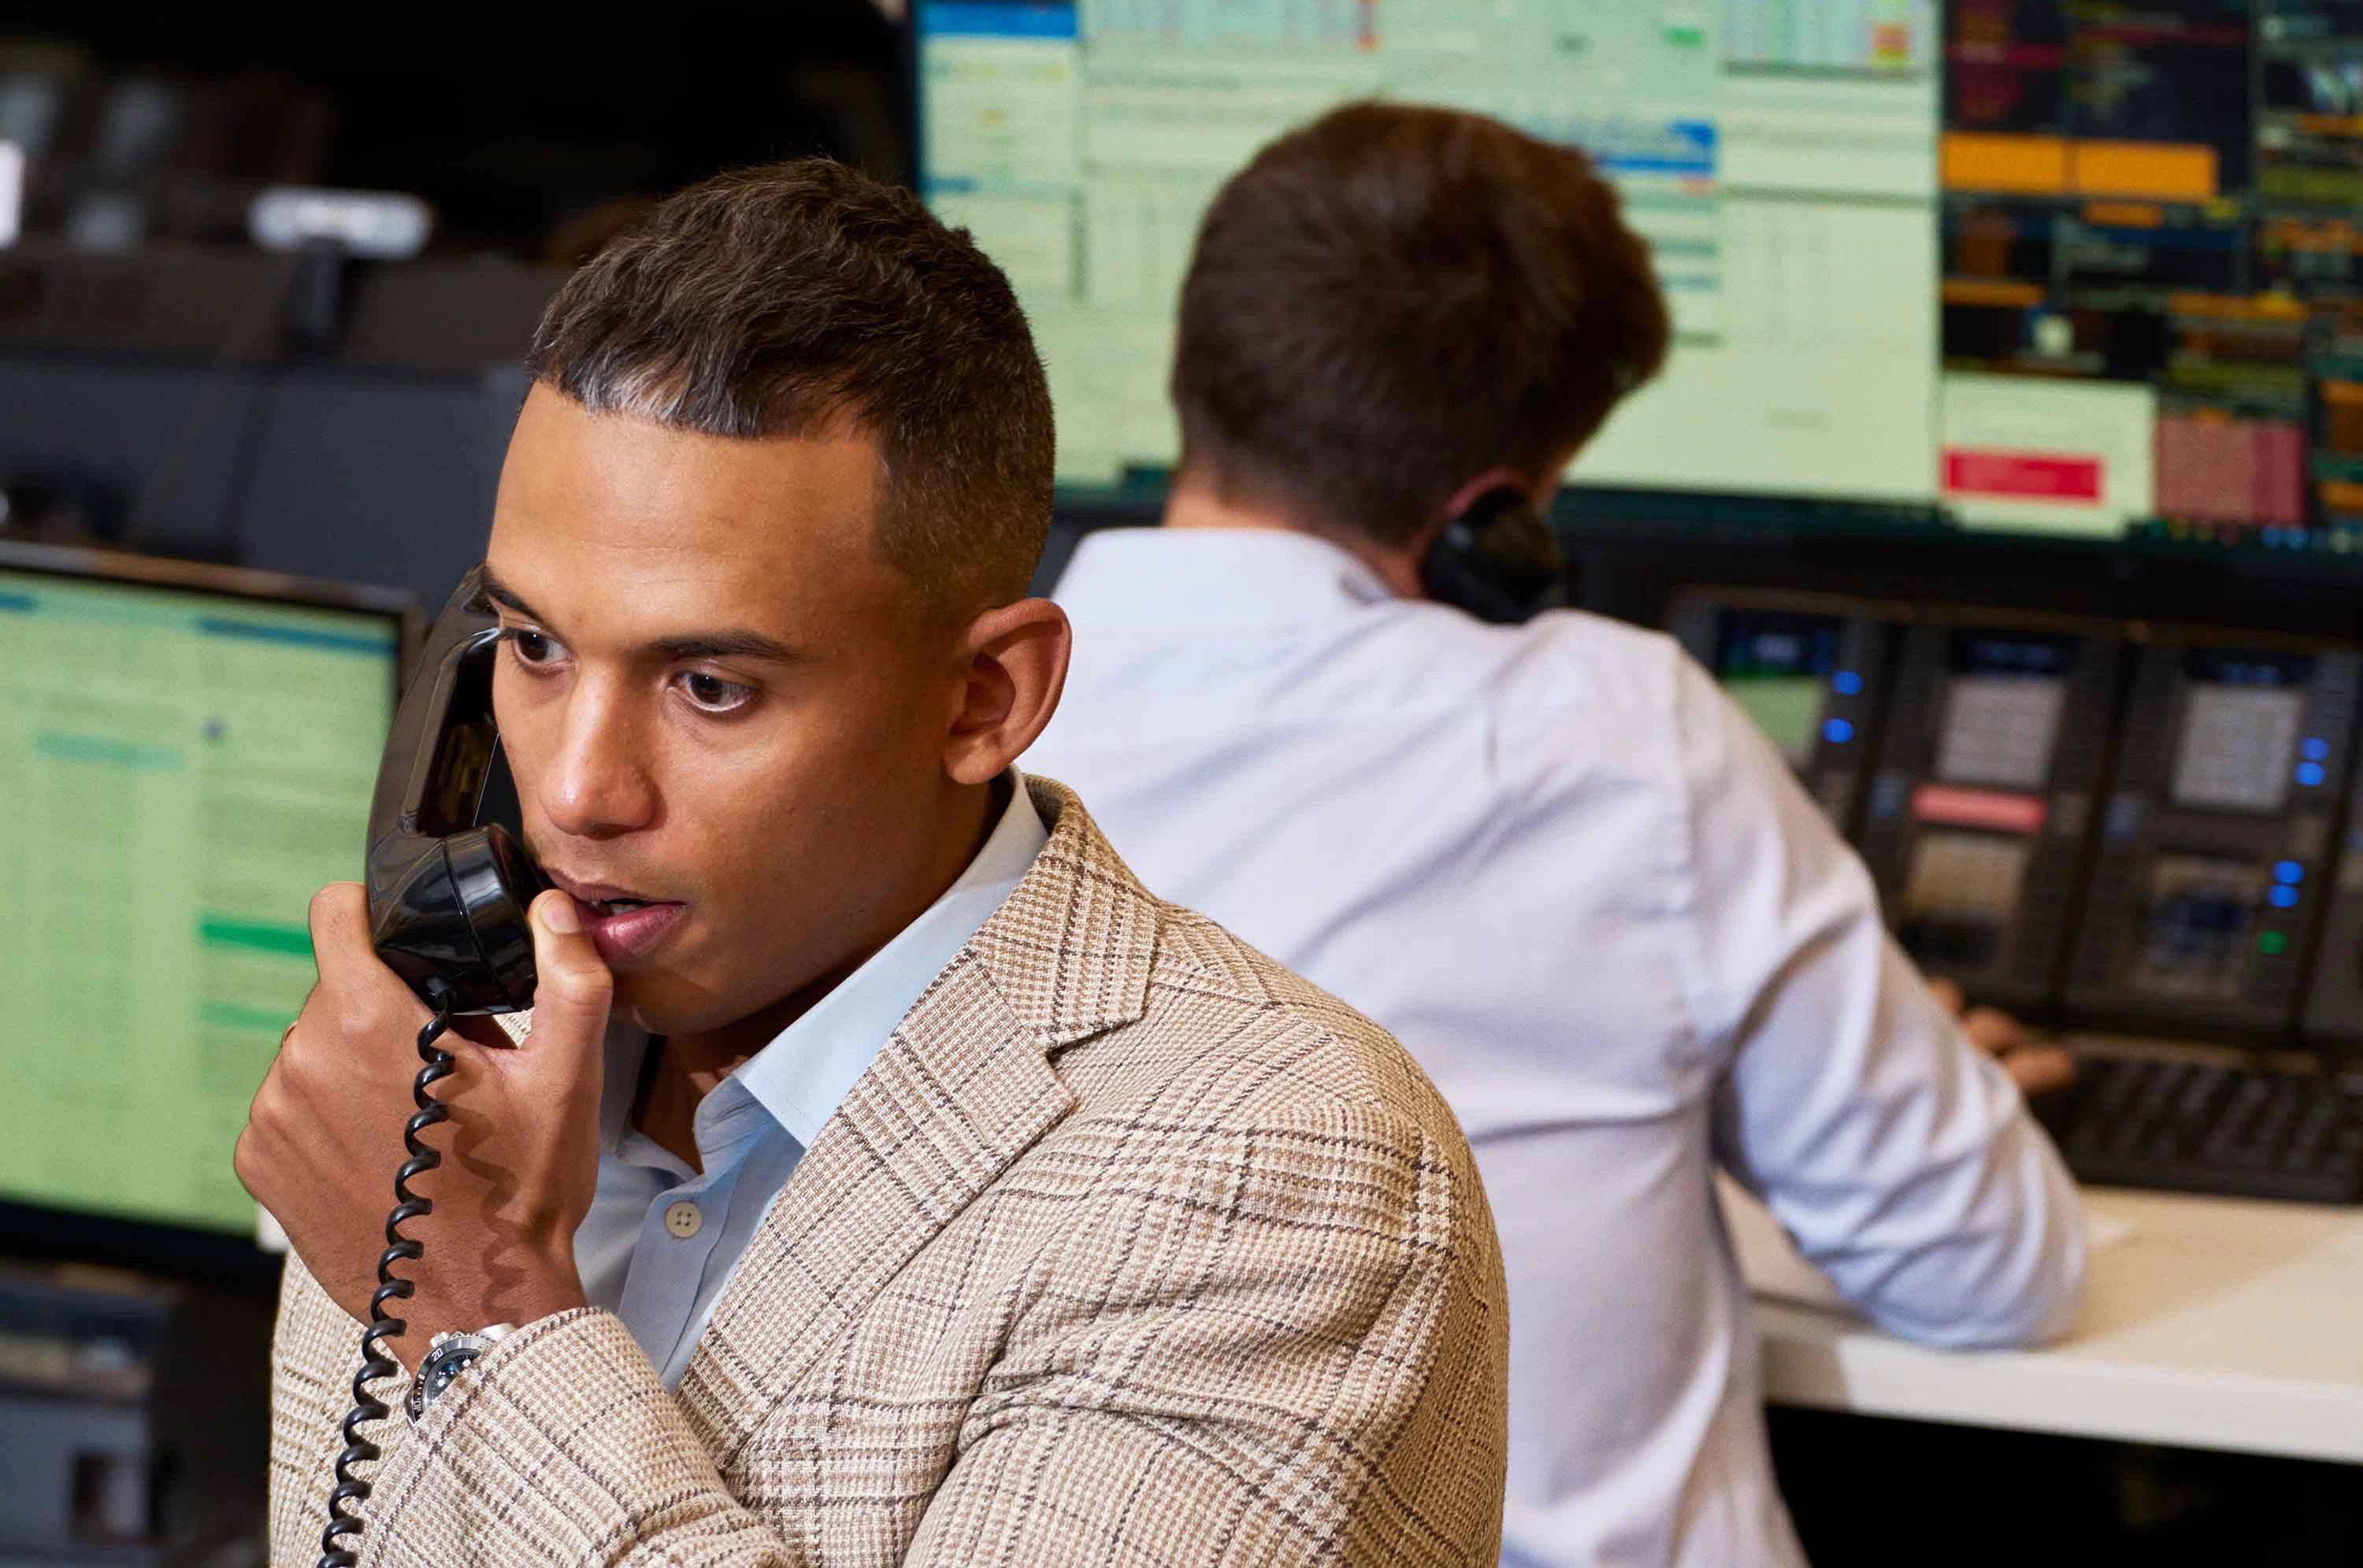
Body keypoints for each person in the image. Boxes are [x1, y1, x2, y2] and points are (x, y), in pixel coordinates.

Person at [234, 158, 1509, 1567]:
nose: (579, 789)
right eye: (535, 646)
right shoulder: (435, 1057)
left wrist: (485, 1309)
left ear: (985, 699)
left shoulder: (1276, 1170)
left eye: (709, 684)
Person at [1026, 102, 2087, 1568]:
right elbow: (1992, 1271)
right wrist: (1926, 1077)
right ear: (1492, 512)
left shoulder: (982, 727)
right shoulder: (1615, 731)